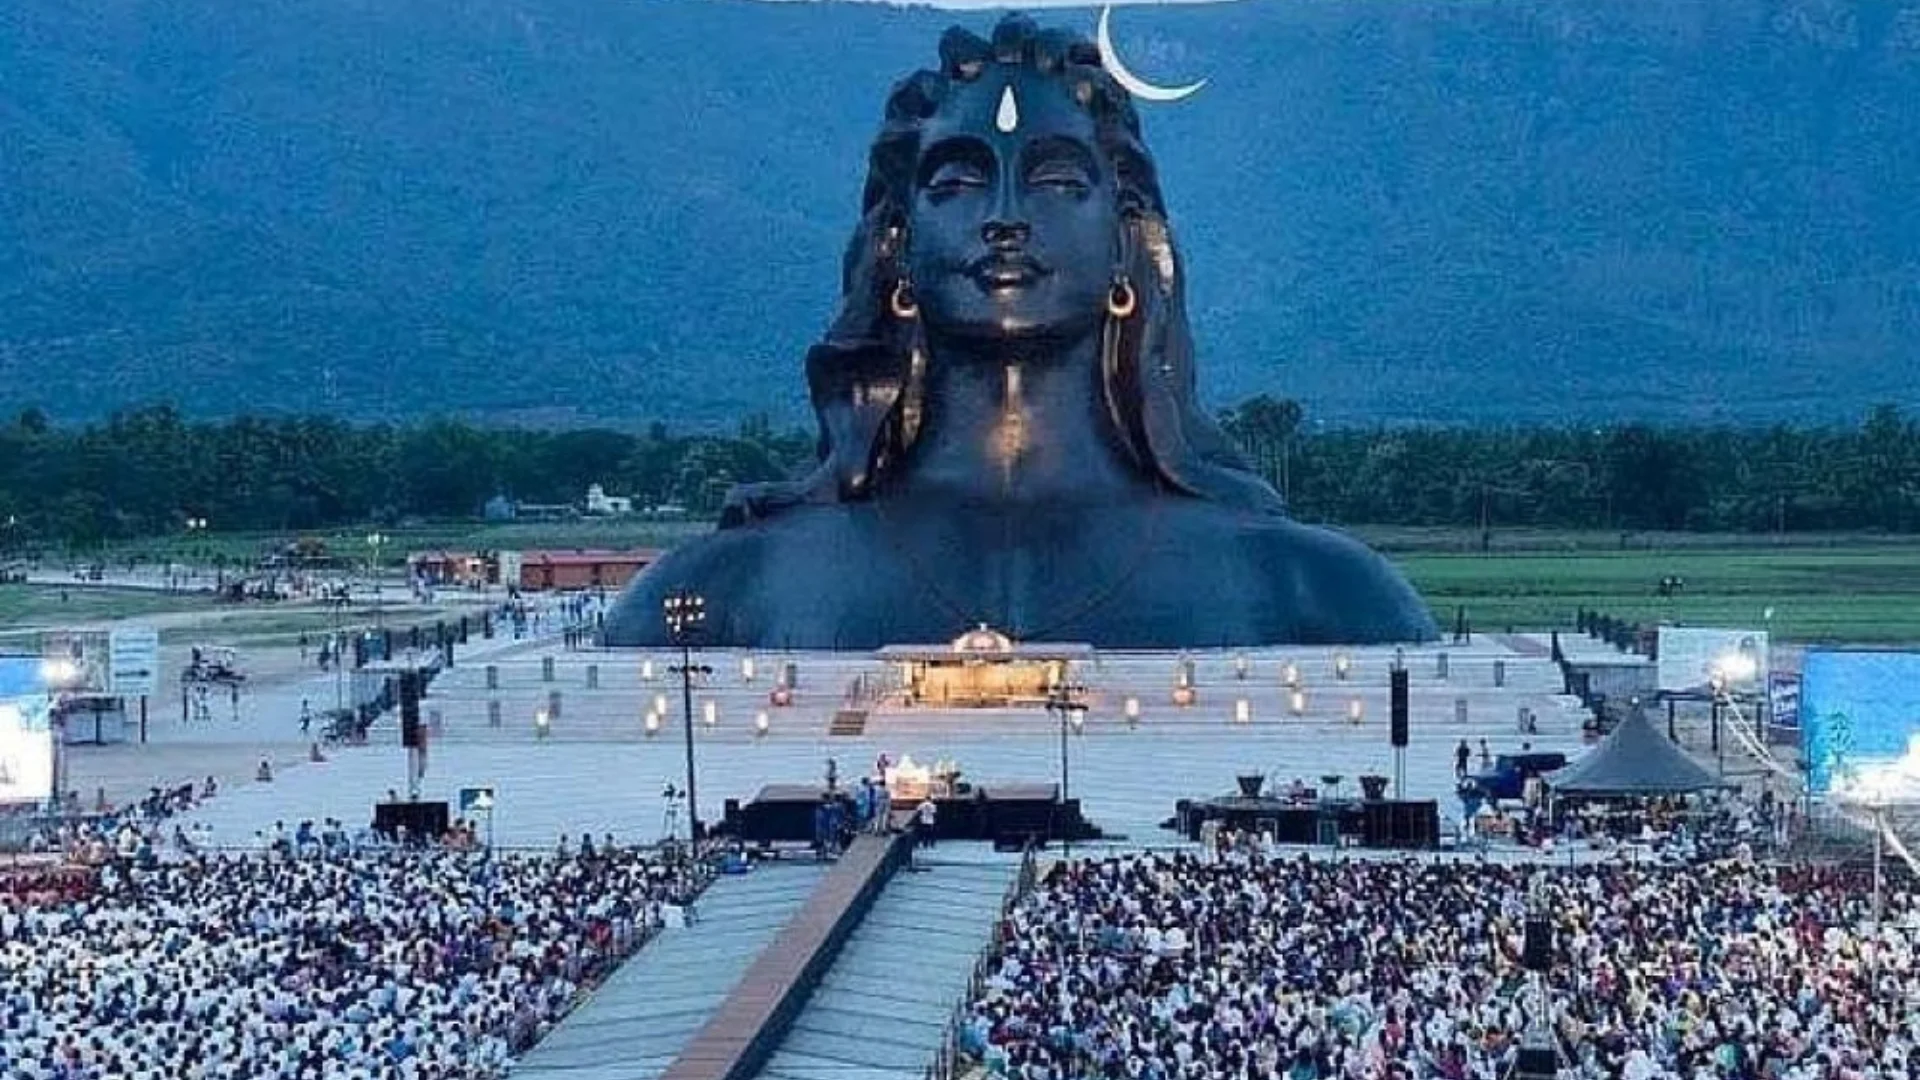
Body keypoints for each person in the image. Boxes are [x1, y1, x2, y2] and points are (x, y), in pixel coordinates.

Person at [599, 13, 1435, 649]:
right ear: (899, 242)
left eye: (1057, 182)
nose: (1004, 220)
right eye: (959, 182)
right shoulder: (729, 590)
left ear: (1125, 239)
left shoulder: (1314, 593)